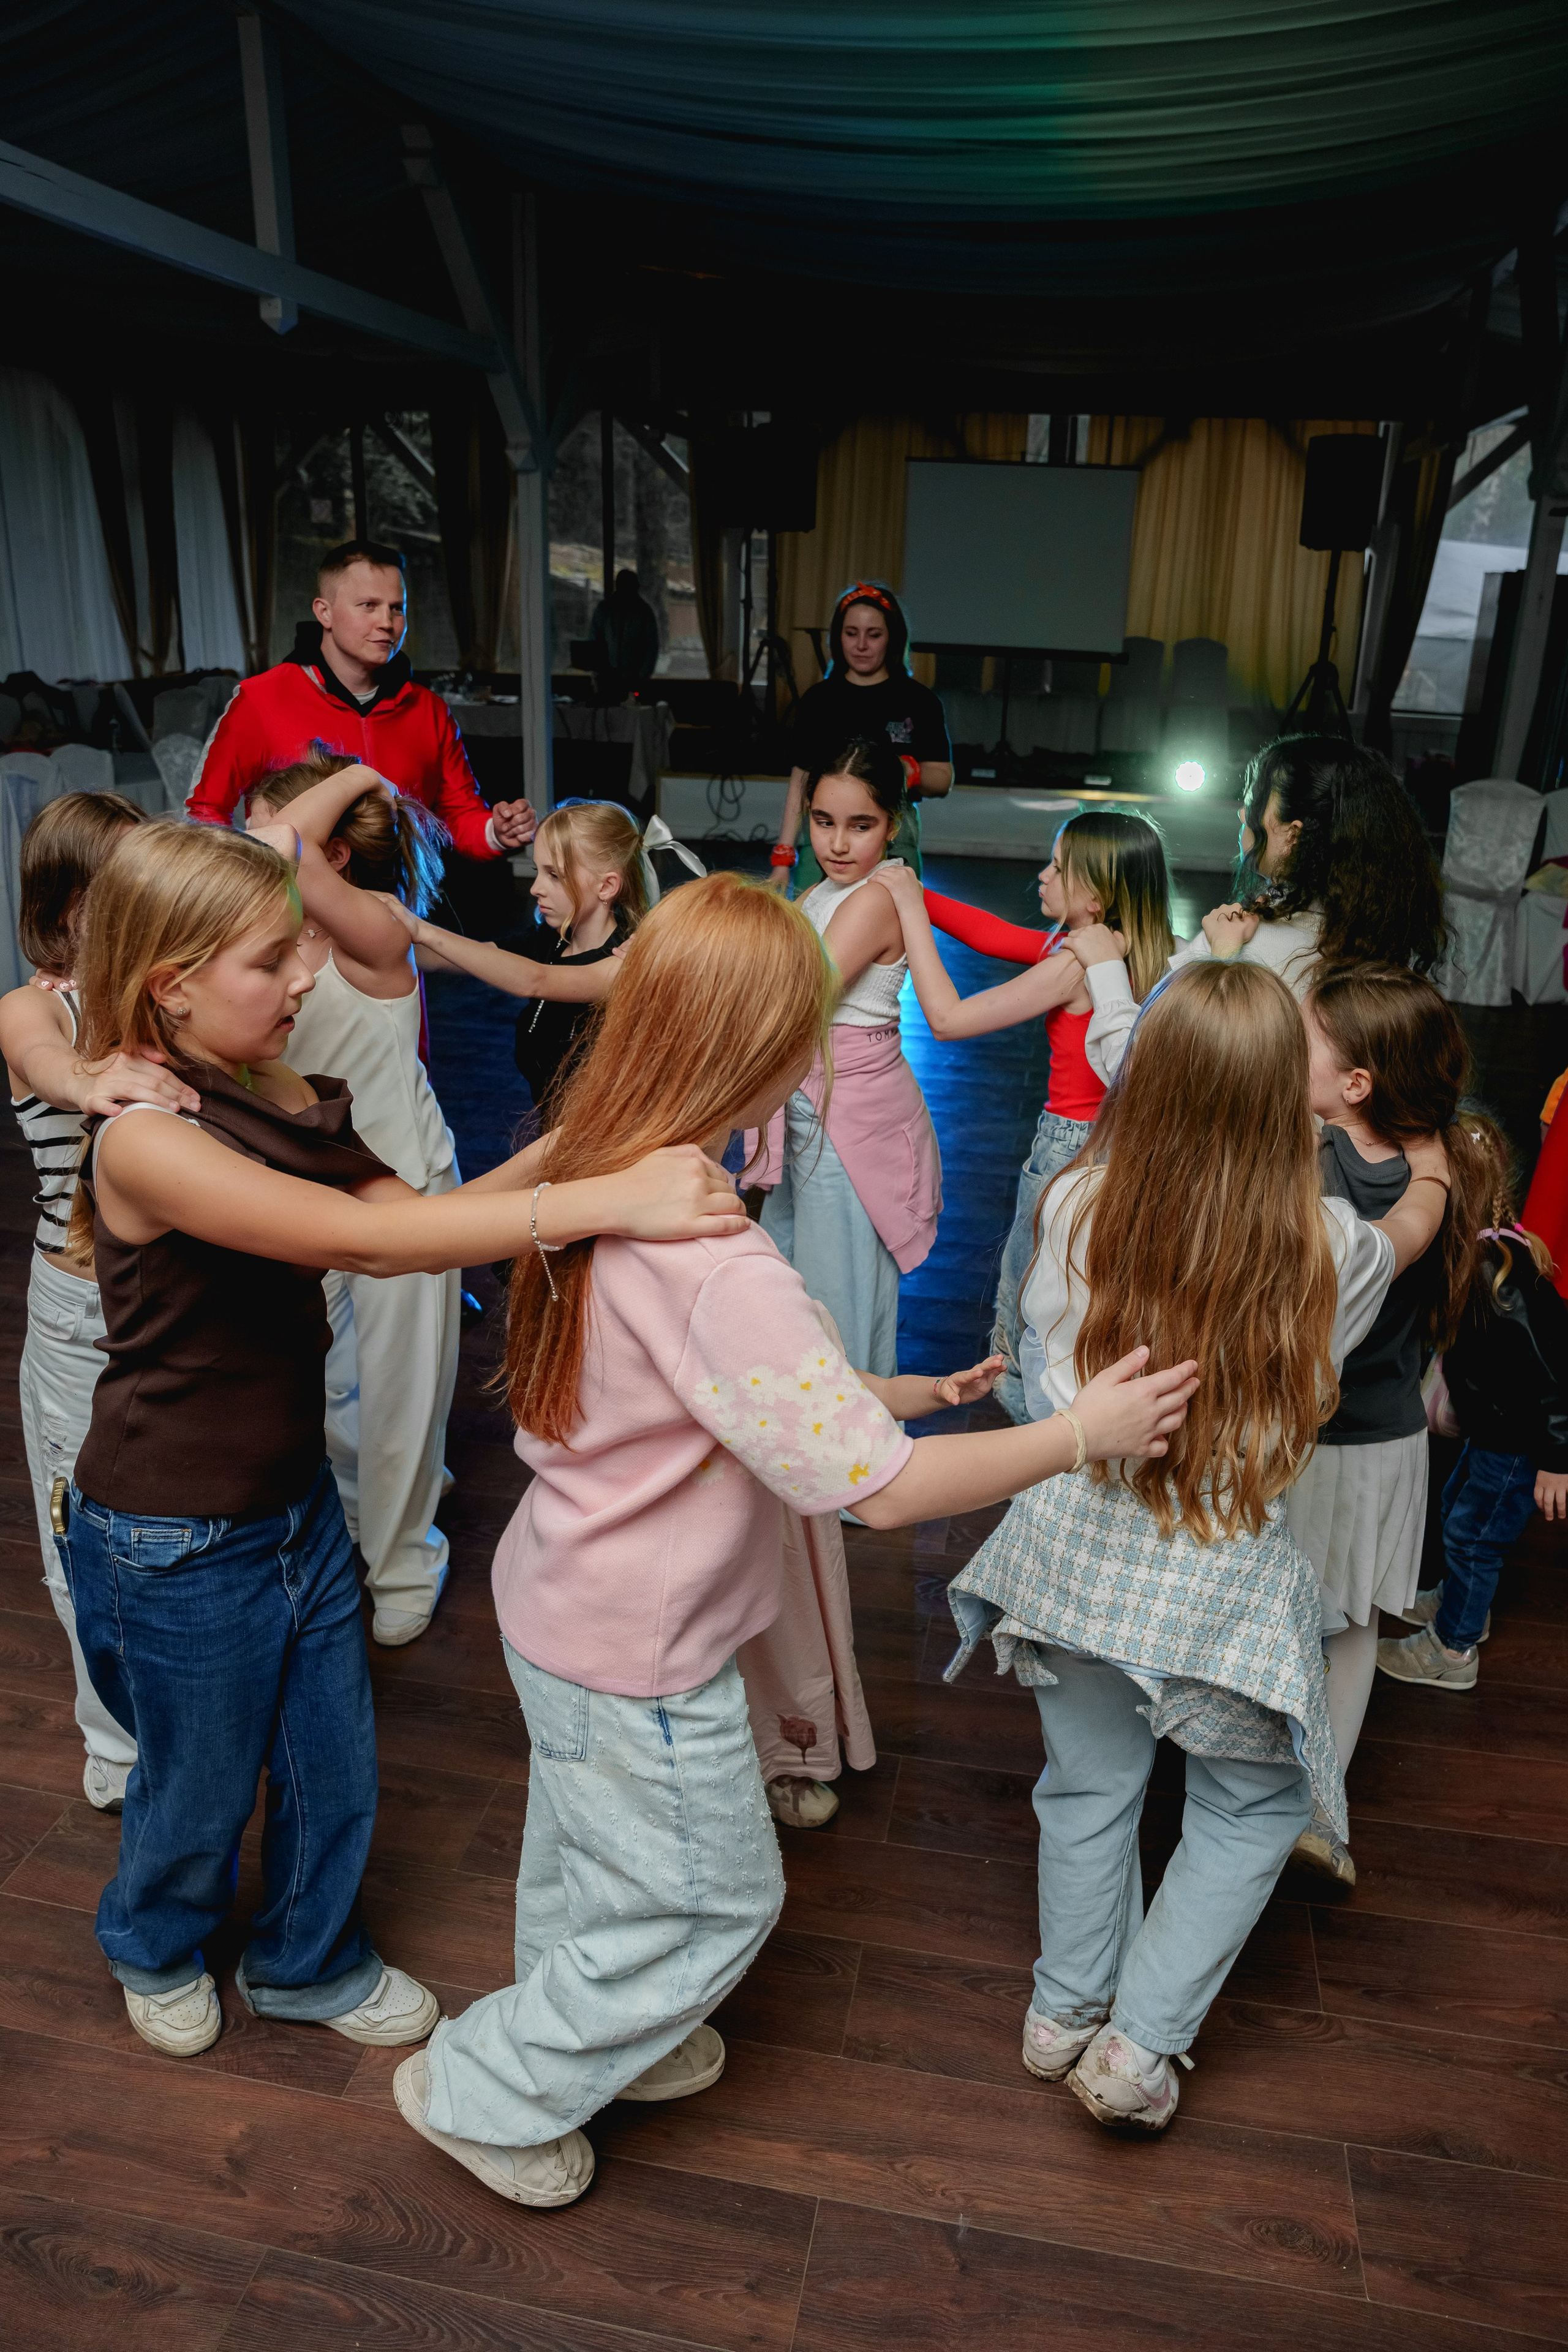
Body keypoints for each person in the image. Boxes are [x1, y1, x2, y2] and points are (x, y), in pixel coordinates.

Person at [391, 870, 1199, 2209]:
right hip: (635, 1644)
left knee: (592, 1851)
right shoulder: (713, 1257)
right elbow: (875, 1496)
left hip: (565, 1598)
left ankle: (596, 2034)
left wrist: (873, 1388)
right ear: (762, 1051)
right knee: (711, 1900)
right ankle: (487, 2085)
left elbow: (721, 1390)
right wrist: (1081, 1431)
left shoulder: (599, 1169)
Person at [57, 816, 751, 2063]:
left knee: (333, 1763)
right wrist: (604, 1199)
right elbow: (367, 1247)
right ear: (173, 986)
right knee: (200, 1787)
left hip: (291, 1506)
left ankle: (305, 1963)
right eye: (272, 961)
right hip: (169, 1534)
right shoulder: (147, 1139)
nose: (307, 975)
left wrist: (588, 1141)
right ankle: (152, 1944)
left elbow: (426, 1220)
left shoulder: (278, 1090)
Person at [962, 960, 1449, 2133]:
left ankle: (1063, 2011)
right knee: (1253, 1806)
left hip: (1073, 1544)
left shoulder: (1075, 1202)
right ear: (1291, 1096)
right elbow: (1414, 1229)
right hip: (1221, 1568)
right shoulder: (1324, 1241)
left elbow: (1043, 1376)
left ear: (1150, 1076)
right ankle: (1136, 2049)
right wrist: (1432, 1163)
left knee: (1088, 1785)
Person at [0, 793, 200, 1812]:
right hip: (79, 1317)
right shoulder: (37, 1005)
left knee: (178, 1532)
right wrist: (94, 1080)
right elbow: (39, 1060)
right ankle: (115, 1750)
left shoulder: (167, 992)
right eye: (118, 879)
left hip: (176, 1307)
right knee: (76, 1534)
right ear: (69, 902)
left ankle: (190, 1723)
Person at [246, 747, 462, 1647]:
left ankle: (407, 1558)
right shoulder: (264, 947)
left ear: (329, 852)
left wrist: (363, 771)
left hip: (402, 1188)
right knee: (328, 1383)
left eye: (276, 829)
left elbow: (275, 843)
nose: (249, 848)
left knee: (403, 1392)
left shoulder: (377, 932)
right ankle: (360, 1518)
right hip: (310, 1192)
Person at [1285, 967, 1493, 1884]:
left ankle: (1252, 1797)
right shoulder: (1433, 1163)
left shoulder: (1315, 1160)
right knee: (1357, 1625)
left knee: (1286, 1616)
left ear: (1357, 1083)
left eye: (1303, 1040)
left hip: (1312, 1443)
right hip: (1393, 1441)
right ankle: (1321, 1812)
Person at [877, 813, 1177, 1419]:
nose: (1042, 876)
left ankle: (1032, 1466)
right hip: (1129, 1153)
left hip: (1068, 1155)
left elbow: (948, 1021)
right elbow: (996, 936)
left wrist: (909, 912)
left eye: (1059, 868)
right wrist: (917, 892)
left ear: (1096, 896)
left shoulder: (1073, 968)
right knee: (1080, 1309)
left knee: (1025, 1321)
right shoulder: (1135, 953)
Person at [753, 739, 942, 1378]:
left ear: (892, 825)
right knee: (790, 1293)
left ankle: (861, 1468)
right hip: (808, 1108)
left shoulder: (874, 898)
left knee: (839, 1313)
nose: (837, 843)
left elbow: (800, 995)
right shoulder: (815, 896)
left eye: (860, 826)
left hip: (850, 1125)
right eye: (823, 822)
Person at [186, 540, 535, 858]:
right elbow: (203, 812)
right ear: (324, 612)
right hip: (298, 913)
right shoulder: (260, 699)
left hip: (405, 913)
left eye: (397, 609)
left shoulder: (429, 710)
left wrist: (497, 831)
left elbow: (458, 817)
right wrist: (247, 885)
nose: (387, 622)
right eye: (369, 605)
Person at [1379, 1148, 1568, 1695]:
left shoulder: (1496, 1274)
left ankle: (1453, 1649)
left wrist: (1558, 1460)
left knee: (1474, 1536)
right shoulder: (1483, 1257)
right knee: (1457, 1512)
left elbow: (1551, 1374)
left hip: (1517, 1443)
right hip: (1496, 1431)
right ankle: (1463, 1605)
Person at [1151, 735, 1445, 1020]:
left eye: (1254, 803)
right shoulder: (1375, 929)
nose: (1242, 815)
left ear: (1293, 835)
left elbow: (1159, 1040)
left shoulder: (1253, 944)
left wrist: (1216, 955)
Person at [770, 582, 952, 891]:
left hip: (893, 838)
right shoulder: (819, 700)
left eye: (874, 634)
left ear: (892, 638)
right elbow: (801, 779)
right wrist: (782, 858)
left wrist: (909, 770)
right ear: (837, 638)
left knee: (887, 928)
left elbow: (943, 780)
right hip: (824, 839)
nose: (861, 645)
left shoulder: (918, 700)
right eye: (851, 633)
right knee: (812, 932)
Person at [589, 568, 660, 685]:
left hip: (630, 675)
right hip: (611, 675)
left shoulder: (607, 609)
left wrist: (643, 675)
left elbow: (651, 645)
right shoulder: (606, 609)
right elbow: (594, 641)